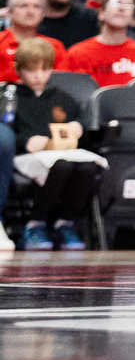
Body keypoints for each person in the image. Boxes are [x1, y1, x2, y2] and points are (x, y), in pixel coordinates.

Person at [8, 38, 97, 249]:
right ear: (19, 70)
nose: (39, 76)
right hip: (25, 158)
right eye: (31, 70)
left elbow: (82, 127)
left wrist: (79, 127)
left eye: (45, 70)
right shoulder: (11, 98)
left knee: (88, 167)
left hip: (62, 154)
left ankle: (65, 223)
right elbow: (5, 130)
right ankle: (35, 224)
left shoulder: (64, 99)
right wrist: (25, 141)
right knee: (61, 166)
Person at [61, 0, 135, 88]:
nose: (121, 8)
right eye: (116, 3)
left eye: (128, 5)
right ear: (101, 13)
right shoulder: (77, 54)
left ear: (132, 16)